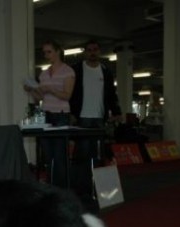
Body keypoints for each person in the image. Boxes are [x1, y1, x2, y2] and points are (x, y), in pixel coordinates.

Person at [69, 39, 121, 212]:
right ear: (85, 52)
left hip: (100, 119)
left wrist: (116, 110)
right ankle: (81, 190)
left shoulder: (106, 71)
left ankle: (98, 189)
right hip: (82, 117)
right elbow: (71, 93)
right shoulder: (77, 69)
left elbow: (112, 94)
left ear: (99, 52)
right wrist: (71, 113)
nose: (92, 52)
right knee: (81, 155)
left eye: (95, 49)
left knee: (98, 155)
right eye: (89, 50)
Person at [24, 40, 75, 187]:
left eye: (49, 52)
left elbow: (67, 96)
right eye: (45, 52)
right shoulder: (44, 73)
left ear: (58, 51)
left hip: (61, 114)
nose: (46, 55)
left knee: (60, 154)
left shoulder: (68, 71)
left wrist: (50, 89)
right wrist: (31, 90)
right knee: (48, 154)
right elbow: (40, 97)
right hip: (46, 114)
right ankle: (52, 185)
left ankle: (62, 187)